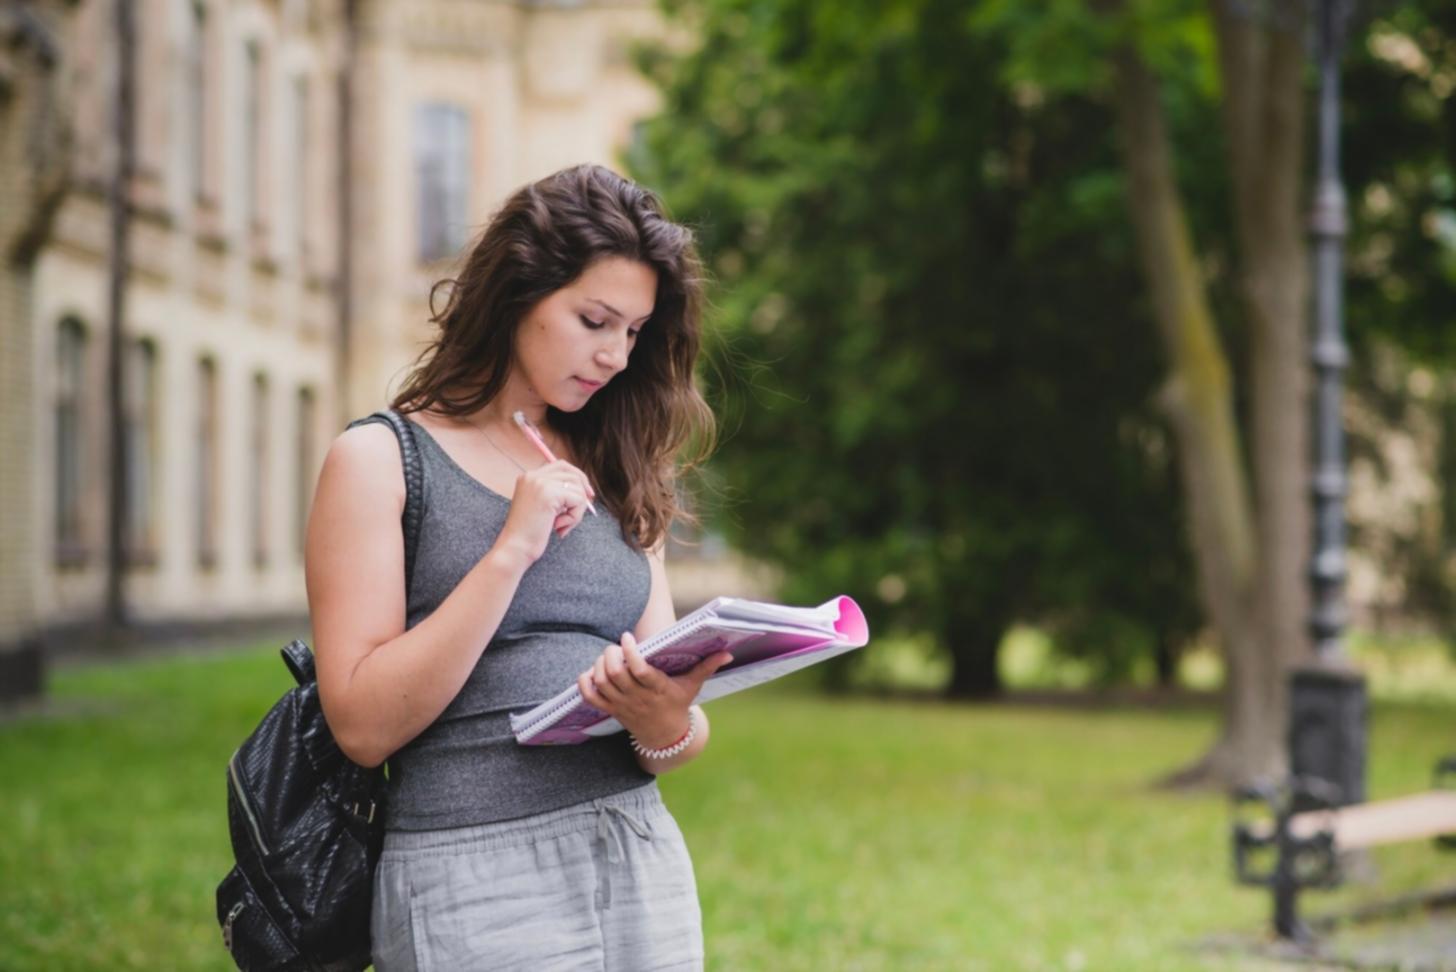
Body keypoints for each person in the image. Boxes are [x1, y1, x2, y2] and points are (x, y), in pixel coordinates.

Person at [305, 164, 732, 970]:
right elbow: (361, 727)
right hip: (474, 876)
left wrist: (663, 721)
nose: (615, 355)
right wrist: (511, 550)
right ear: (516, 294)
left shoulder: (621, 465)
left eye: (634, 332)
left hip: (639, 855)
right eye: (594, 320)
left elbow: (682, 731)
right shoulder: (381, 460)